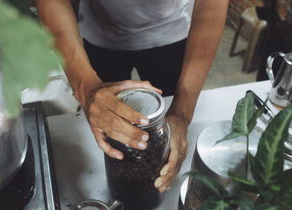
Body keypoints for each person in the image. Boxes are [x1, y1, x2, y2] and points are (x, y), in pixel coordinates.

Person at [35, 0, 228, 193]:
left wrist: (181, 114)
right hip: (100, 33)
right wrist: (85, 88)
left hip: (171, 33)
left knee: (165, 135)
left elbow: (212, 4)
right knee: (110, 131)